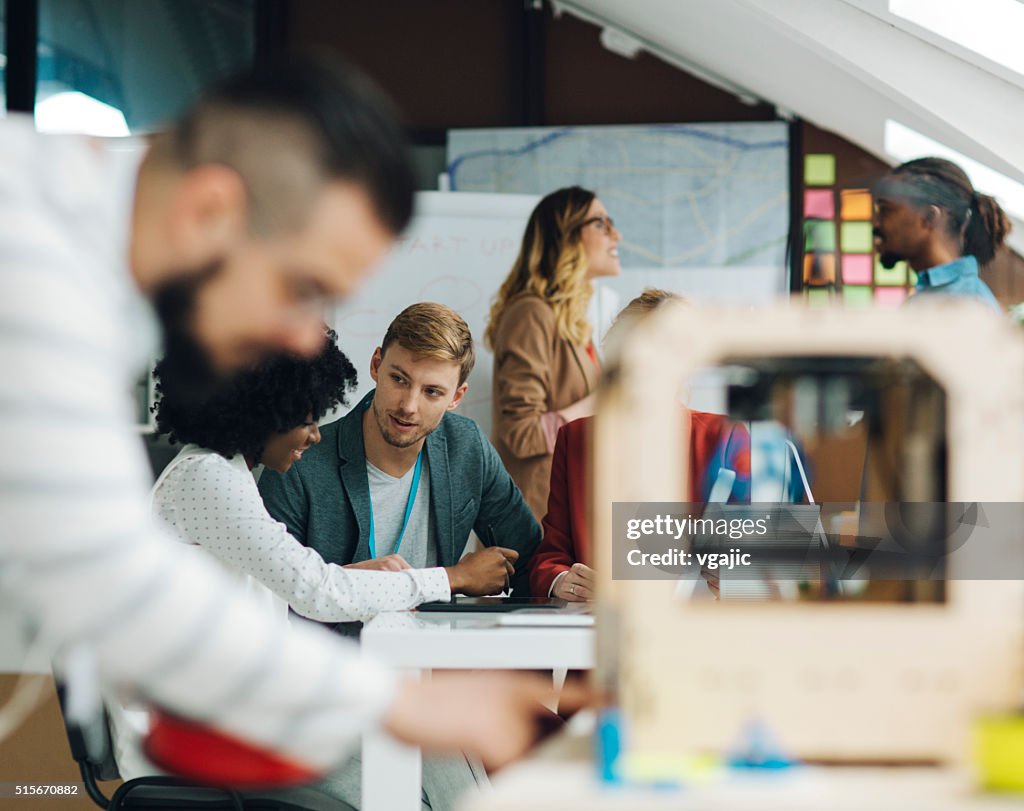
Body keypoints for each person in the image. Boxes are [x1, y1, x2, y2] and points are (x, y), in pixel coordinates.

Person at [0, 55, 566, 784]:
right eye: (303, 288)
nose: (304, 339)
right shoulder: (35, 267)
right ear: (211, 210)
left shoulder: (85, 247)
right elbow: (112, 574)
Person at [259, 303, 541, 601]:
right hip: (332, 645)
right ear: (376, 365)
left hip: (436, 643)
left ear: (456, 397)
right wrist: (347, 580)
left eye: (432, 392)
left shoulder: (466, 446)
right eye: (399, 379)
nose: (408, 405)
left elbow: (530, 559)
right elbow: (263, 596)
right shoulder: (300, 463)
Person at [528, 290, 751, 602]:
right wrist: (563, 579)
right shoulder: (576, 438)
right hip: (599, 623)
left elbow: (763, 557)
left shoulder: (724, 436)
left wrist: (737, 576)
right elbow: (549, 556)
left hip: (693, 622)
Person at [485, 186, 621, 521]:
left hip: (571, 507)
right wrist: (597, 403)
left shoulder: (570, 319)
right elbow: (521, 432)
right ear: (567, 236)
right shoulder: (531, 312)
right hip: (537, 517)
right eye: (601, 223)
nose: (615, 234)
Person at [872, 157, 1010, 311]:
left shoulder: (969, 306)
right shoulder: (932, 294)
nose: (876, 223)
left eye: (886, 210)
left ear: (929, 217)